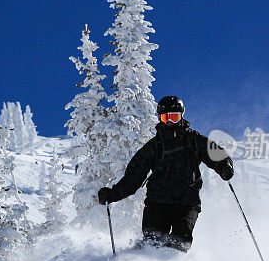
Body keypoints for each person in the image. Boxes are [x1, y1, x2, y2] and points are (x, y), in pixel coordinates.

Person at [98, 96, 234, 252]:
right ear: (160, 118)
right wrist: (114, 194)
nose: (170, 121)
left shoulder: (194, 140)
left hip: (187, 202)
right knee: (153, 242)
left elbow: (217, 155)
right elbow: (134, 175)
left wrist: (225, 165)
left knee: (181, 241)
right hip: (158, 202)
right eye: (165, 117)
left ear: (181, 116)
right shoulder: (154, 146)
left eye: (174, 117)